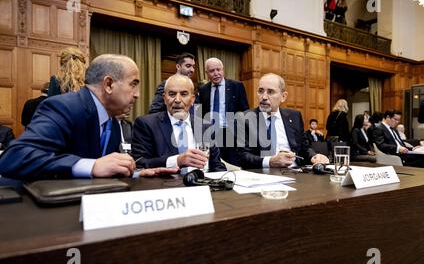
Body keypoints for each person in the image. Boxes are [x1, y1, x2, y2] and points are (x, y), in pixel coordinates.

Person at [0, 54, 177, 180]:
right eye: (133, 84)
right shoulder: (64, 107)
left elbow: (104, 169)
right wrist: (90, 166)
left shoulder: (112, 124)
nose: (137, 94)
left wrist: (135, 173)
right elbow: (14, 158)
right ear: (108, 84)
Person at [132, 74, 226, 172]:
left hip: (202, 184)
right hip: (165, 185)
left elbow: (216, 164)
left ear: (192, 99)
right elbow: (140, 163)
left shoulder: (205, 126)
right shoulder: (146, 124)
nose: (177, 100)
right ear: (164, 98)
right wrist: (176, 161)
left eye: (184, 94)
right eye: (172, 94)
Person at [237, 73, 329, 169]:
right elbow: (242, 156)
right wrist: (270, 162)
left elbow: (303, 148)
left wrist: (314, 156)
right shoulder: (244, 118)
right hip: (262, 176)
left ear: (283, 97)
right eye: (260, 91)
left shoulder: (294, 116)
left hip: (296, 174)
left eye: (270, 92)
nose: (264, 97)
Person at [198, 57, 249, 166]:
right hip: (210, 133)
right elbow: (200, 113)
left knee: (233, 165)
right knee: (213, 165)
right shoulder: (203, 89)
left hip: (230, 132)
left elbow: (245, 111)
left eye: (218, 69)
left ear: (223, 70)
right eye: (212, 71)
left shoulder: (236, 86)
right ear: (207, 73)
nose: (216, 73)